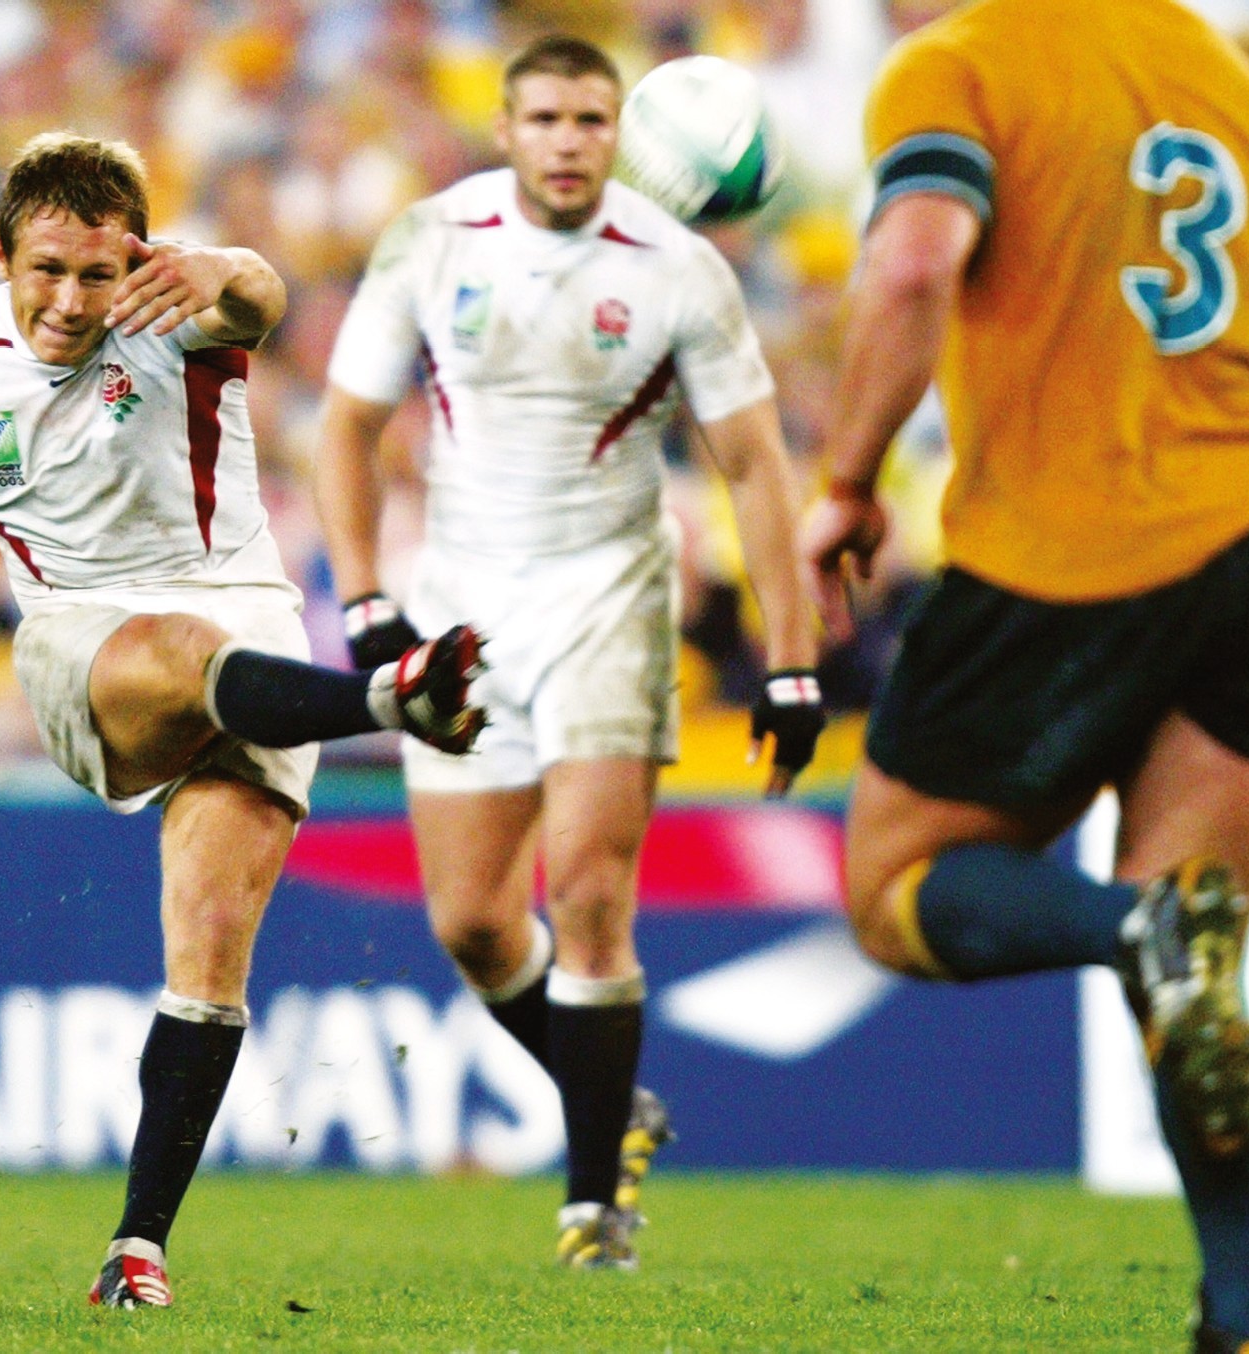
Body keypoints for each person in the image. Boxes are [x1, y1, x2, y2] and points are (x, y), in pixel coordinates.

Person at [0, 132, 488, 1312]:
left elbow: (259, 293)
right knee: (180, 652)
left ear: (136, 259)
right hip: (82, 645)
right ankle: (386, 702)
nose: (68, 300)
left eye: (96, 274)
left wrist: (223, 268)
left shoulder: (180, 308)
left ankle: (136, 1249)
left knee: (210, 948)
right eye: (45, 270)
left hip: (250, 633)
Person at [796, 2, 1249, 1350]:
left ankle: (1129, 927)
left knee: (890, 884)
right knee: (1199, 984)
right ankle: (1248, 1320)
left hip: (1067, 542)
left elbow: (913, 263)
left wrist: (848, 482)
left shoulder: (962, 65)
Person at [314, 36, 823, 1269]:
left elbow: (755, 464)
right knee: (474, 923)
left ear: (619, 136)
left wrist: (792, 658)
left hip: (610, 602)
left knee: (591, 892)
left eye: (590, 120)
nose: (566, 140)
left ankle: (594, 1207)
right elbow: (346, 424)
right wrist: (368, 596)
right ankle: (613, 1104)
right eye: (543, 118)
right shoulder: (434, 240)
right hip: (463, 614)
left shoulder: (680, 271)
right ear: (506, 129)